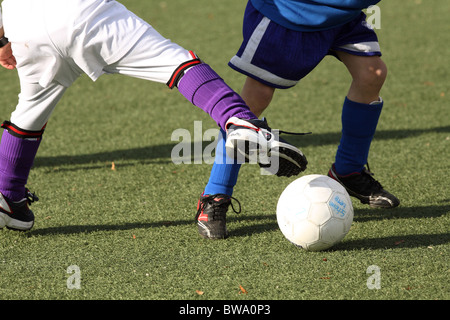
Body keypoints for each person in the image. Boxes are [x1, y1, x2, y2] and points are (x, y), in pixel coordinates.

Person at [0, 0, 307, 231]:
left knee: (29, 111)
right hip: (83, 13)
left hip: (23, 26)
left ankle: (8, 195)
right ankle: (238, 119)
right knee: (174, 62)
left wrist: (2, 39)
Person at [196, 0, 400, 239]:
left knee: (372, 74)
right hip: (290, 14)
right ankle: (215, 196)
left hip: (342, 15)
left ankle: (348, 171)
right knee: (253, 100)